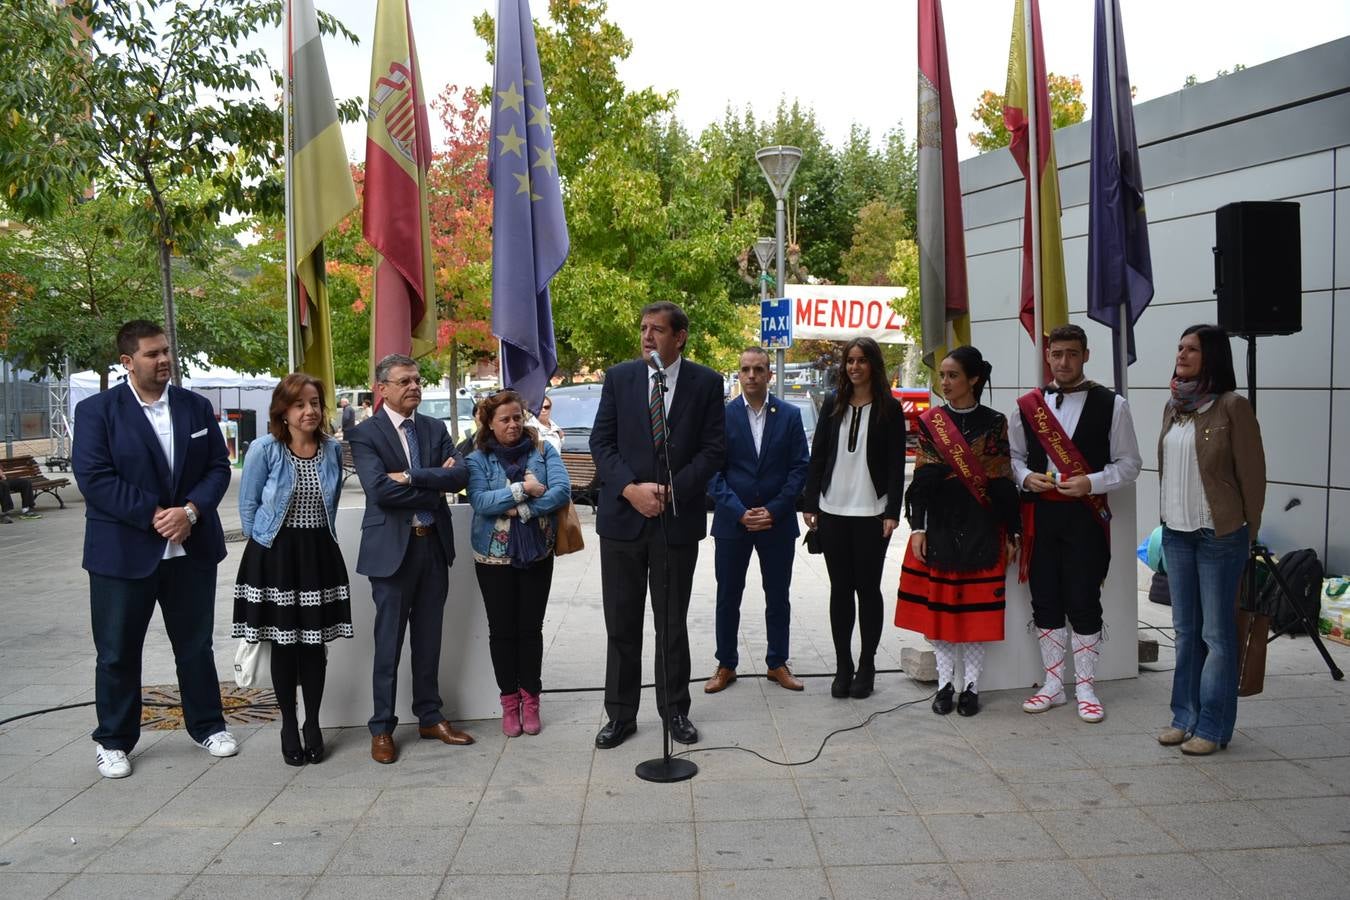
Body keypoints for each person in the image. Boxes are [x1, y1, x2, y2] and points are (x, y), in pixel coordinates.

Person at [72, 320, 236, 779]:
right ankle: (113, 740)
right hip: (122, 554)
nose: (164, 360)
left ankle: (208, 726)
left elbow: (218, 468)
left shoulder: (196, 406)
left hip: (191, 547)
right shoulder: (97, 412)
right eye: (152, 354)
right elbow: (95, 479)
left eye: (166, 351)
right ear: (127, 362)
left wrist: (190, 512)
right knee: (118, 651)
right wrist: (156, 515)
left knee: (196, 645)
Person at [590, 301, 726, 749]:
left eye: (658, 330)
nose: (648, 336)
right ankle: (620, 715)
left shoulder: (705, 382)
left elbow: (713, 449)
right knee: (622, 624)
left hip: (675, 520)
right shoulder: (620, 378)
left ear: (680, 336)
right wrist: (631, 488)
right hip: (623, 521)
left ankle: (674, 711)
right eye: (644, 328)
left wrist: (672, 489)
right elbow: (601, 442)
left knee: (672, 624)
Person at [1011, 324, 1142, 723]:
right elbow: (1012, 458)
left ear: (1086, 355)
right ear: (1047, 357)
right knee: (1045, 597)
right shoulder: (1027, 405)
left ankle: (1085, 686)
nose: (1063, 361)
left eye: (1071, 353)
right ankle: (1053, 684)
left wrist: (1092, 481)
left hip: (1086, 516)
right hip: (1040, 514)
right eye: (1056, 354)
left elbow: (1130, 464)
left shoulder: (1112, 404)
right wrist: (1023, 477)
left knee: (1084, 598)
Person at [347, 353, 473, 764]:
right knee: (388, 643)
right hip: (391, 553)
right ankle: (381, 726)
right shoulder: (366, 434)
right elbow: (379, 491)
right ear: (382, 388)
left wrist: (414, 476)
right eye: (404, 381)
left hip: (432, 545)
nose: (414, 387)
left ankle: (430, 716)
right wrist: (434, 484)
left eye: (417, 380)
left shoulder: (435, 428)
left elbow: (460, 476)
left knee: (428, 638)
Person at [232, 374, 354, 765]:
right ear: (283, 411)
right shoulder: (265, 450)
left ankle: (313, 723)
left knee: (313, 645)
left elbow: (330, 502)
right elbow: (248, 507)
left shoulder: (332, 450)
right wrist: (266, 551)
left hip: (318, 553)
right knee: (283, 644)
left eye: (315, 402)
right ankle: (288, 723)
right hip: (275, 555)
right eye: (300, 404)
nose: (310, 411)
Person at [1157, 324, 1265, 756]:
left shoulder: (1232, 407)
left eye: (1192, 349)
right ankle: (1183, 718)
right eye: (1180, 346)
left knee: (1218, 636)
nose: (1181, 354)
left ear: (1213, 357)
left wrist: (1247, 532)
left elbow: (1252, 478)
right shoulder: (1174, 405)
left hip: (1219, 536)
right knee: (1185, 632)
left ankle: (1214, 727)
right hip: (1178, 534)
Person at [896, 345, 1019, 717]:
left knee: (976, 617)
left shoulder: (995, 421)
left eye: (952, 376)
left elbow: (1001, 479)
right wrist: (918, 527)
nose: (944, 383)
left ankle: (972, 687)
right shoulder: (931, 421)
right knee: (944, 617)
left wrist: (1013, 532)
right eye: (942, 376)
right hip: (942, 524)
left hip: (983, 523)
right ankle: (945, 685)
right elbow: (922, 480)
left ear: (974, 379)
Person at [802, 336, 906, 700]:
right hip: (832, 511)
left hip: (872, 514)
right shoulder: (833, 403)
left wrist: (893, 511)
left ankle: (867, 664)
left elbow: (896, 464)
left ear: (873, 365)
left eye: (862, 360)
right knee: (840, 591)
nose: (855, 367)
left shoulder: (890, 409)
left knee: (868, 589)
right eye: (850, 360)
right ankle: (843, 665)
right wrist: (810, 502)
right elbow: (818, 457)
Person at [465, 390, 571, 736]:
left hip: (536, 553)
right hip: (492, 558)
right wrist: (523, 490)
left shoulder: (543, 450)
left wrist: (519, 509)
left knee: (530, 630)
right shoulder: (477, 457)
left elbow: (561, 490)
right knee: (502, 632)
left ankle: (532, 700)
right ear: (489, 424)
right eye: (504, 419)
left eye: (516, 418)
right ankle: (509, 703)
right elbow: (480, 501)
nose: (512, 425)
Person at [705, 347, 810, 694]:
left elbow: (799, 469)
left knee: (778, 596)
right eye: (746, 370)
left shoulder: (791, 415)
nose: (751, 375)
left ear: (769, 374)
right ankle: (725, 665)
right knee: (727, 596)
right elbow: (712, 472)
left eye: (759, 369)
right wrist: (740, 511)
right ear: (739, 374)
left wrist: (776, 510)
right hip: (733, 523)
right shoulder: (720, 416)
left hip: (776, 523)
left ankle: (777, 663)